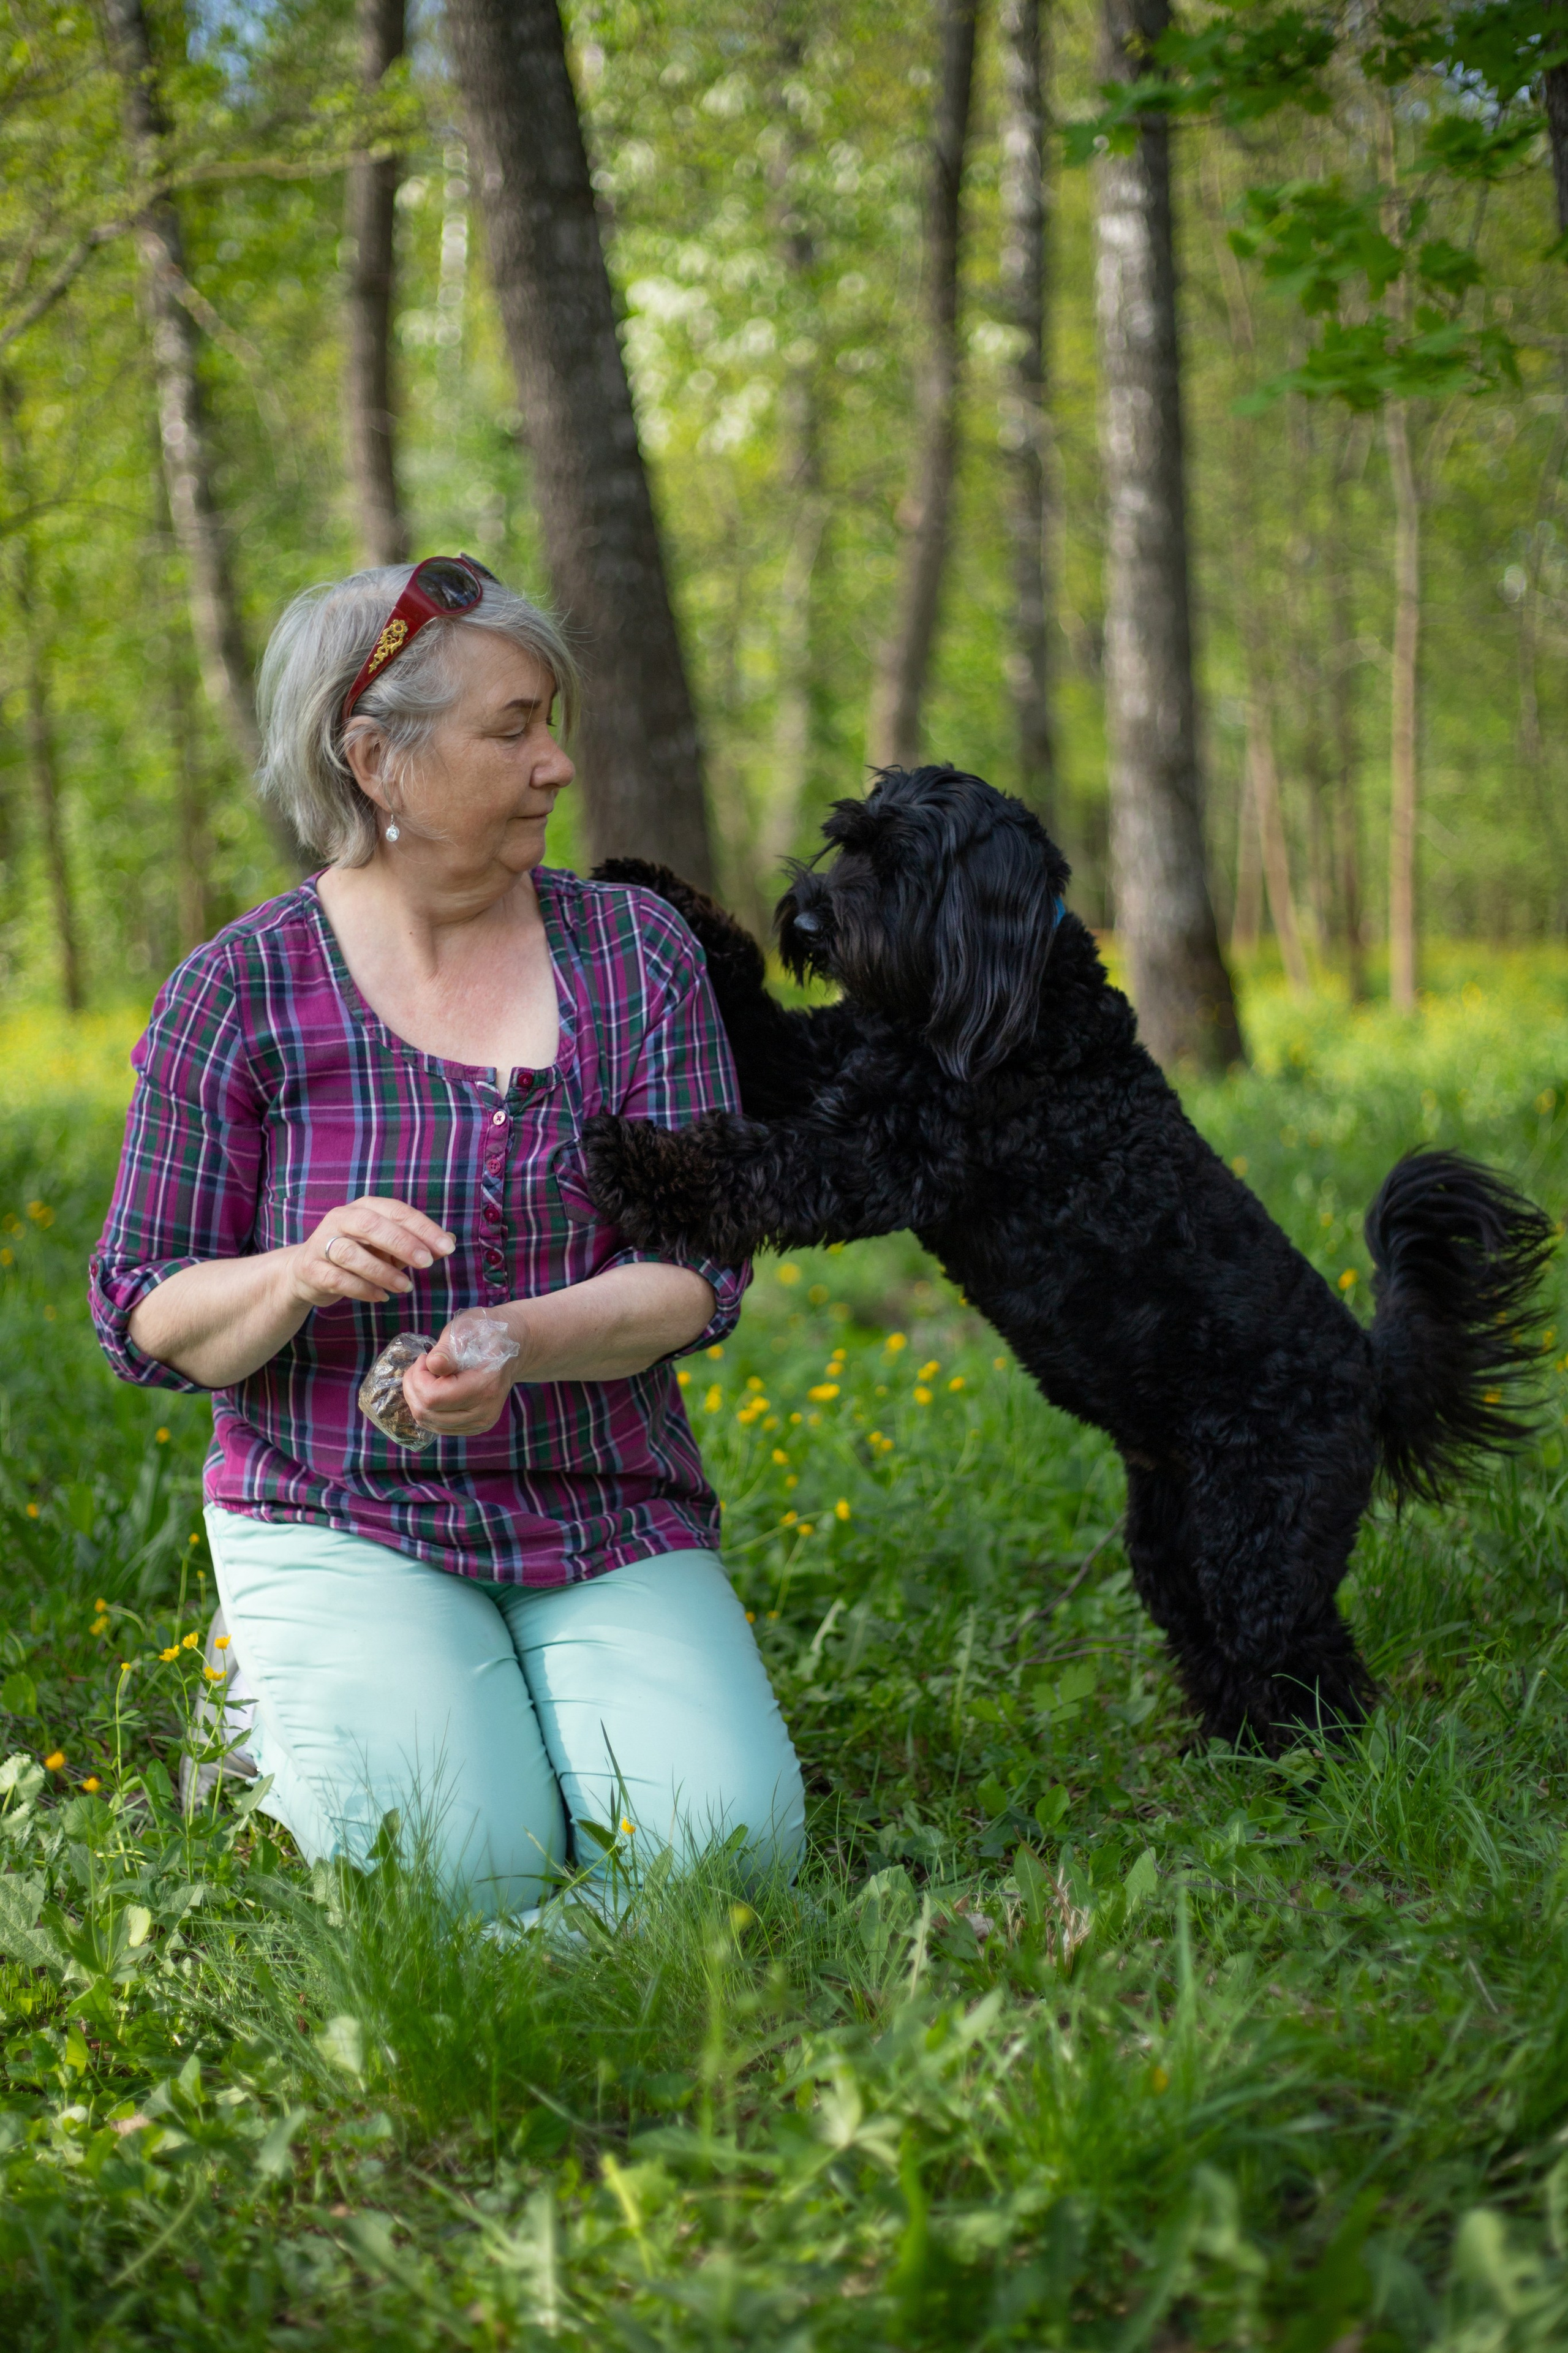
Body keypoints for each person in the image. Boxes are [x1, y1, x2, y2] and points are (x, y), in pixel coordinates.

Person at [89, 555, 804, 1919]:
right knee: (456, 1877)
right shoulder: (235, 992)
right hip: (337, 1507)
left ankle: (457, 1727)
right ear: (376, 760)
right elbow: (142, 1308)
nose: (555, 766)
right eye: (512, 728)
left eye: (551, 723)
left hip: (599, 1500)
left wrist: (513, 1339)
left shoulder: (635, 954)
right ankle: (272, 1684)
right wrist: (296, 1271)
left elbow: (695, 1273)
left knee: (729, 1857)